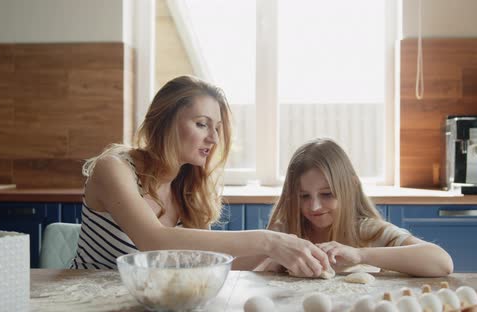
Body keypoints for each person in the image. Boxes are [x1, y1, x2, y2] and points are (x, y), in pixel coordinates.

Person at [70, 75, 329, 277]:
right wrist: (267, 240)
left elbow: (205, 262)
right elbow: (154, 240)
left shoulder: (187, 189)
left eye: (216, 128)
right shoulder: (113, 168)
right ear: (165, 122)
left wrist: (276, 253)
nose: (214, 139)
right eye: (202, 124)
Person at [234, 138, 453, 277]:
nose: (315, 206)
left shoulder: (369, 231)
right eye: (303, 196)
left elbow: (442, 263)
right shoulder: (285, 234)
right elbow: (230, 270)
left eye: (327, 194)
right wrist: (268, 262)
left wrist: (360, 255)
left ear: (351, 187)